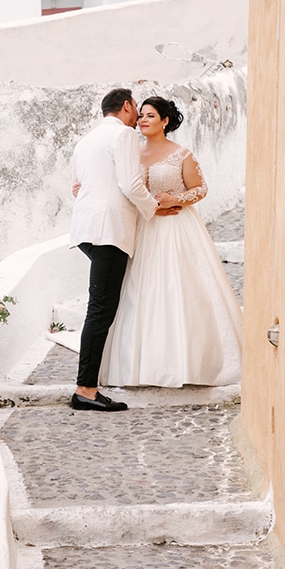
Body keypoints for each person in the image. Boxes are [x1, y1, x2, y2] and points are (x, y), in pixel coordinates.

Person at [98, 95, 243, 389]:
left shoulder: (182, 154)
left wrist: (175, 198)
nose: (143, 120)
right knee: (140, 292)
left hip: (177, 228)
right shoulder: (131, 153)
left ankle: (189, 361)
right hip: (143, 230)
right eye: (142, 116)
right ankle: (142, 364)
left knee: (180, 289)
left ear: (165, 121)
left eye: (151, 116)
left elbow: (200, 189)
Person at [69, 88, 174, 411]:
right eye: (135, 109)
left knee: (101, 308)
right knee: (100, 310)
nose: (137, 117)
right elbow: (130, 183)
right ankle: (85, 390)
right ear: (127, 106)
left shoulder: (85, 140)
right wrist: (153, 207)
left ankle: (88, 386)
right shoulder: (123, 137)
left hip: (88, 229)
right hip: (109, 230)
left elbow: (77, 186)